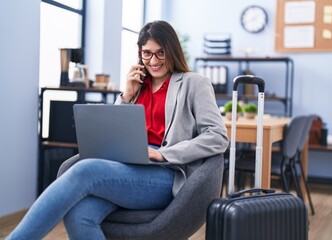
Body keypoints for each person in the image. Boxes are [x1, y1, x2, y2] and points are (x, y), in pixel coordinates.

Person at [7, 20, 228, 240]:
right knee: (79, 215)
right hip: (126, 169)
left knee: (86, 170)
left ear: (172, 51)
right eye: (147, 53)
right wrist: (126, 96)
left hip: (166, 173)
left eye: (161, 53)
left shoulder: (194, 83)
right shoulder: (138, 85)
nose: (154, 61)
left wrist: (162, 153)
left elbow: (218, 136)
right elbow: (115, 130)